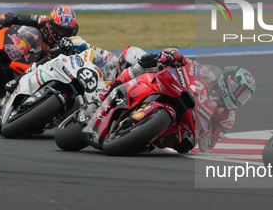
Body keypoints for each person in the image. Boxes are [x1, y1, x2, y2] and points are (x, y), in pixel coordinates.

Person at [97, 48, 257, 153]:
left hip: (188, 124)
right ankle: (111, 88)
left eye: (244, 97)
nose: (238, 97)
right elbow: (188, 63)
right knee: (149, 64)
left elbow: (208, 146)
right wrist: (174, 55)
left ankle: (144, 136)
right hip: (178, 92)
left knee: (185, 144)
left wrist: (206, 132)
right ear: (227, 81)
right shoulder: (210, 75)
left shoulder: (228, 117)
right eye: (238, 91)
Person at [0, 5, 79, 55]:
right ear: (51, 23)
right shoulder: (42, 21)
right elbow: (14, 16)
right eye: (59, 28)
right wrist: (0, 20)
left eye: (65, 30)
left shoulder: (70, 40)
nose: (61, 32)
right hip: (20, 49)